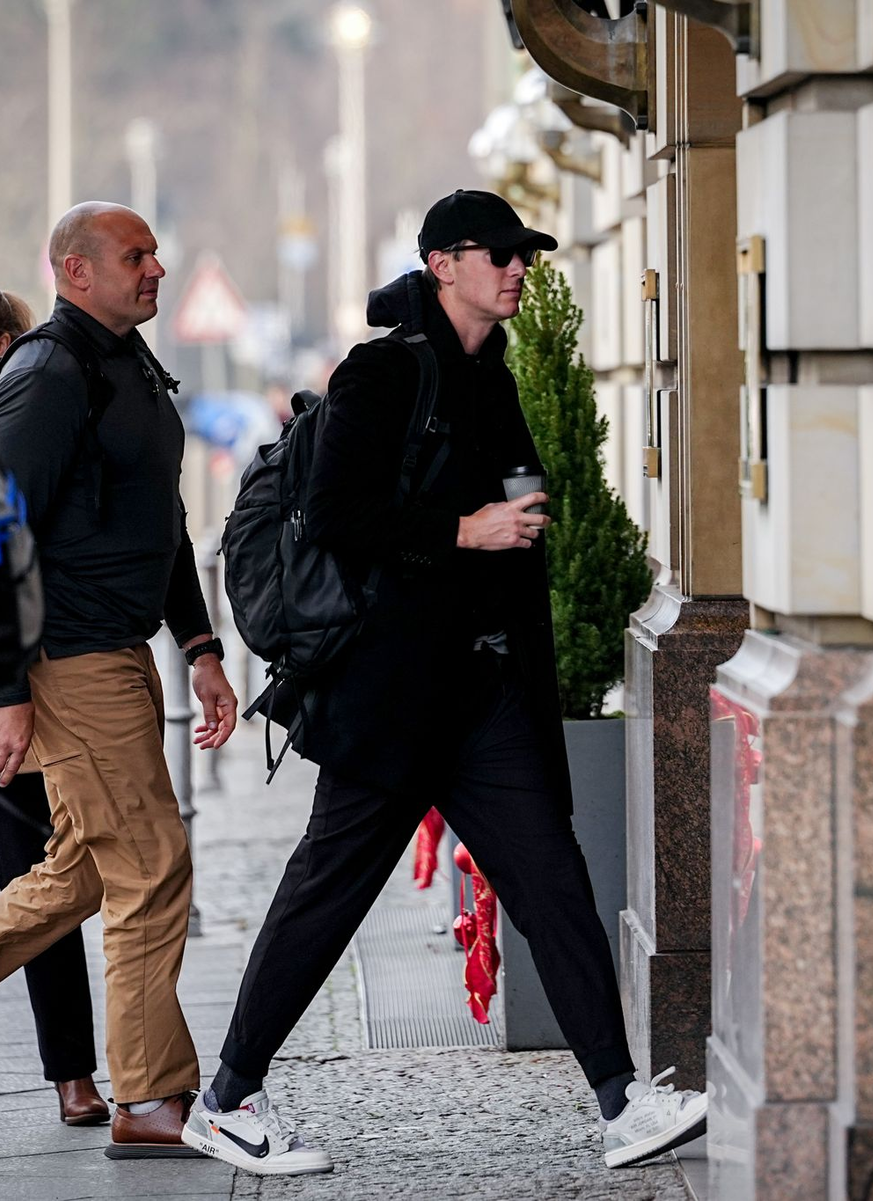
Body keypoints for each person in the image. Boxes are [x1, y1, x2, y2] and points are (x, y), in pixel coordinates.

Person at [183, 190, 706, 1176]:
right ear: (443, 265)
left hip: (479, 694)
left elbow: (515, 511)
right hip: (387, 698)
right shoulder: (383, 371)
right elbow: (337, 514)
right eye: (498, 253)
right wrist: (465, 529)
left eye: (525, 255)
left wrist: (514, 526)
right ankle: (227, 1097)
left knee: (552, 879)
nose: (517, 268)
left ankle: (621, 1099)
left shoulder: (491, 373)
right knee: (327, 893)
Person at [0, 205, 238, 1158]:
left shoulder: (128, 364)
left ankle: (148, 1087)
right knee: (151, 865)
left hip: (120, 648)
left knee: (88, 869)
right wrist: (8, 686)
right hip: (70, 655)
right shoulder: (47, 374)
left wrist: (201, 644)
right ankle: (147, 1096)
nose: (156, 268)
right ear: (75, 270)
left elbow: (161, 520)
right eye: (135, 255)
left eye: (155, 252)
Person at [0, 288, 108, 1127]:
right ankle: (74, 1075)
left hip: (22, 685)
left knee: (40, 869)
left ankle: (73, 1072)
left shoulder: (30, 417)